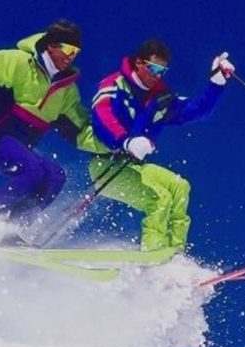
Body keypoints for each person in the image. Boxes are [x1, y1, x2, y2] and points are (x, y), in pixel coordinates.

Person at [88, 39, 234, 251]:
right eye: (154, 68)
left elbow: (194, 110)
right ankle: (153, 254)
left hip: (134, 166)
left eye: (162, 71)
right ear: (139, 62)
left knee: (180, 187)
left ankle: (174, 253)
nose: (157, 75)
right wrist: (126, 141)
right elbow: (102, 117)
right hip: (105, 165)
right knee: (159, 199)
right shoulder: (114, 84)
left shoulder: (160, 98)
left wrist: (216, 83)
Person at [0, 20, 108, 227]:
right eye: (68, 50)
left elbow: (80, 129)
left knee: (55, 176)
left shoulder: (66, 91)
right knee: (34, 171)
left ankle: (14, 226)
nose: (71, 57)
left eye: (76, 53)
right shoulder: (20, 62)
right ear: (52, 46)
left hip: (19, 146)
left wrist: (112, 144)